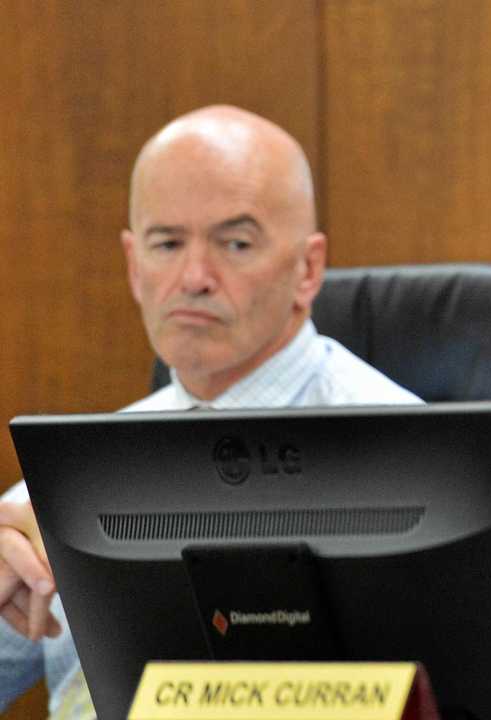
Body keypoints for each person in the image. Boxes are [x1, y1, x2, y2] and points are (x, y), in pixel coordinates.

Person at [0, 105, 421, 716]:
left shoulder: (403, 452)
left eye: (235, 243)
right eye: (166, 243)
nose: (193, 276)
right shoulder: (72, 475)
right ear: (133, 266)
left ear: (308, 269)